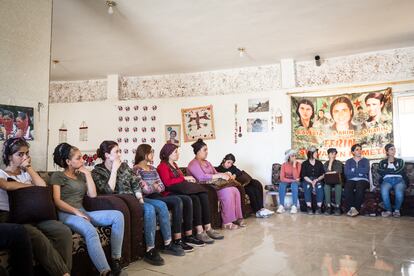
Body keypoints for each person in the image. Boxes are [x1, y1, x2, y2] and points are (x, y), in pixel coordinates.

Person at [92, 141, 184, 267]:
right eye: (116, 152)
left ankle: (168, 243)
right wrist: (114, 169)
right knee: (150, 209)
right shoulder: (98, 171)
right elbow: (108, 190)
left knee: (161, 205)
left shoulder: (124, 166)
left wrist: (140, 198)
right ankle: (150, 250)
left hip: (135, 198)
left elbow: (135, 182)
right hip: (120, 201)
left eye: (120, 151)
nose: (120, 154)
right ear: (107, 155)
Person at [0, 138, 72, 276]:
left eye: (27, 153)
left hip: (38, 215)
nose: (25, 157)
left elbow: (43, 187)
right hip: (15, 218)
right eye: (20, 154)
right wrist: (30, 187)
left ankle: (65, 271)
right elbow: (7, 185)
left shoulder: (27, 173)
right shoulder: (1, 174)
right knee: (36, 235)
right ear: (9, 156)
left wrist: (29, 168)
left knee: (63, 231)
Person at [51, 142, 125, 276]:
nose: (82, 160)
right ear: (68, 161)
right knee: (91, 231)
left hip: (82, 211)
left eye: (82, 157)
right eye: (78, 158)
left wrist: (88, 174)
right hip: (66, 213)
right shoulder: (58, 176)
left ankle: (115, 260)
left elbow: (93, 194)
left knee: (117, 216)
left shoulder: (81, 175)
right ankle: (105, 271)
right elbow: (57, 201)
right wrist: (76, 212)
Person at [157, 143, 223, 243]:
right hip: (171, 191)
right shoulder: (162, 166)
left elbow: (179, 179)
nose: (177, 154)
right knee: (197, 196)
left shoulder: (174, 165)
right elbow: (167, 183)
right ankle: (199, 231)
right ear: (168, 153)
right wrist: (182, 178)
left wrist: (183, 179)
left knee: (202, 194)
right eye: (175, 152)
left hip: (180, 188)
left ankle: (207, 227)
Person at [133, 144, 195, 252]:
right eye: (150, 152)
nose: (153, 154)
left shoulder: (152, 168)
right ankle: (176, 240)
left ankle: (185, 237)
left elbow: (161, 186)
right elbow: (145, 190)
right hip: (147, 198)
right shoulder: (136, 169)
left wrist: (153, 187)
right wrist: (154, 186)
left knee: (184, 199)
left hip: (158, 195)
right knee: (176, 200)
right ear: (144, 154)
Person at [187, 139, 245, 230]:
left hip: (214, 185)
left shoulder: (207, 163)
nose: (207, 152)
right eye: (204, 150)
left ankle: (236, 218)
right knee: (228, 192)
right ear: (198, 151)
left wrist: (225, 175)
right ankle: (226, 222)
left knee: (235, 190)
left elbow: (215, 172)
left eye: (207, 150)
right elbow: (201, 177)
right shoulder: (193, 164)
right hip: (205, 187)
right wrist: (219, 175)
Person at [216, 153, 274, 218]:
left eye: (231, 163)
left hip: (241, 183)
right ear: (224, 160)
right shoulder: (219, 169)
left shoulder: (233, 167)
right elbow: (217, 175)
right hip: (236, 186)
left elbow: (239, 172)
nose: (229, 165)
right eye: (228, 162)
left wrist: (234, 175)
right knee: (251, 190)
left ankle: (262, 209)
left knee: (255, 186)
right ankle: (258, 211)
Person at [378, 143, 407, 218]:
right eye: (391, 149)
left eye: (394, 149)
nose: (394, 151)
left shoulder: (400, 161)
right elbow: (380, 171)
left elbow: (400, 171)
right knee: (384, 191)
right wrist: (393, 170)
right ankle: (389, 211)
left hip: (399, 179)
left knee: (399, 192)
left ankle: (397, 211)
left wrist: (387, 171)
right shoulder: (382, 162)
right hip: (387, 180)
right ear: (387, 151)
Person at [344, 144, 370, 217]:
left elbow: (366, 170)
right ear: (353, 152)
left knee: (359, 186)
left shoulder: (365, 160)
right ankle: (352, 208)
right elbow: (347, 173)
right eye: (357, 149)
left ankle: (356, 209)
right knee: (347, 187)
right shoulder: (348, 161)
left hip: (363, 180)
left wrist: (353, 171)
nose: (359, 151)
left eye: (360, 149)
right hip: (351, 180)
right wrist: (359, 172)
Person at [300, 146, 325, 215]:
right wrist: (311, 182)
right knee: (307, 186)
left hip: (317, 179)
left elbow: (323, 174)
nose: (317, 154)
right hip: (307, 180)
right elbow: (304, 176)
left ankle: (318, 207)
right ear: (311, 153)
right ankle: (309, 207)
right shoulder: (305, 163)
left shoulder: (319, 163)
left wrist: (316, 180)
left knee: (319, 187)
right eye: (315, 153)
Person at [278, 149, 301, 214]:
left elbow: (296, 177)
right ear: (288, 157)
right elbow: (282, 178)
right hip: (287, 181)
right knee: (282, 184)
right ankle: (281, 205)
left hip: (295, 182)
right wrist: (293, 180)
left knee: (294, 184)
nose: (294, 157)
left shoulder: (298, 164)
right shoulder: (284, 165)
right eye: (292, 156)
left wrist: (294, 165)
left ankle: (294, 206)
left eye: (295, 156)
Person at [323, 148, 343, 216]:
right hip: (328, 181)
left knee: (338, 186)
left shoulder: (339, 163)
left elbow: (338, 172)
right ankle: (328, 207)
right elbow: (327, 173)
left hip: (337, 181)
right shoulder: (326, 163)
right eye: (331, 154)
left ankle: (338, 207)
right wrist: (330, 162)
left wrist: (330, 172)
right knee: (326, 186)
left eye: (335, 154)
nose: (333, 155)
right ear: (328, 155)